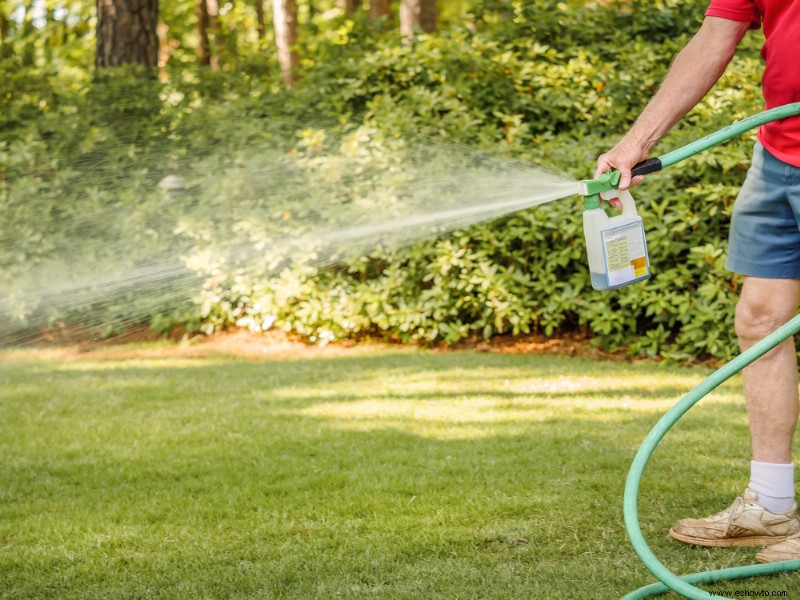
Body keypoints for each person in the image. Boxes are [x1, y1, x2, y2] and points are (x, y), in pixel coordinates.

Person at [595, 1, 800, 563]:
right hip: (779, 153)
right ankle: (772, 504)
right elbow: (715, 37)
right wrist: (636, 142)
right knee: (760, 319)